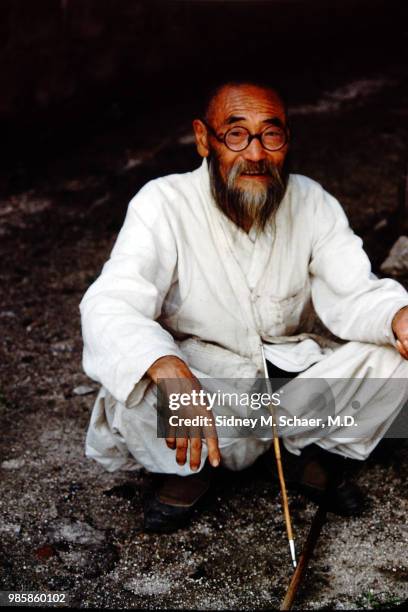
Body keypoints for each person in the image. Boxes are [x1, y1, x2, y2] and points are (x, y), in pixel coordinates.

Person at [80, 81, 408, 533]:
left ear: (286, 140)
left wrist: (396, 317)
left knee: (397, 359)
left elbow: (355, 290)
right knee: (135, 392)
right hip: (204, 389)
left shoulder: (311, 201)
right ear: (203, 139)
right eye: (236, 135)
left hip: (291, 384)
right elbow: (111, 301)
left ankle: (313, 454)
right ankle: (191, 471)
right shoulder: (163, 202)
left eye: (270, 135)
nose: (255, 154)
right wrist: (165, 367)